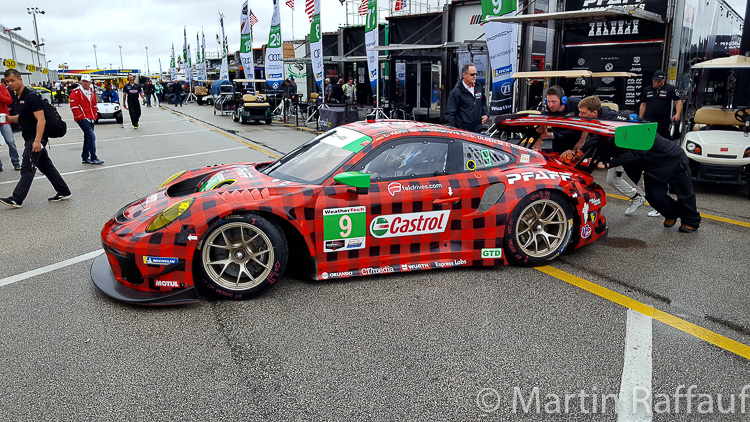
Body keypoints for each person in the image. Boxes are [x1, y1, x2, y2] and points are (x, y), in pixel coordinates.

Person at [602, 120, 700, 233]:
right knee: (654, 196)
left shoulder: (643, 133)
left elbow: (635, 154)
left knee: (684, 193)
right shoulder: (617, 133)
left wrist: (609, 164)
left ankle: (691, 222)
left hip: (674, 161)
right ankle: (672, 213)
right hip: (653, 167)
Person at [0, 69, 71, 208]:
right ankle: (63, 190)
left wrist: (38, 141)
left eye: (12, 80)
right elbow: (22, 118)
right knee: (47, 167)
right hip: (30, 137)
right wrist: (6, 118)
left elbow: (41, 119)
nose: (10, 84)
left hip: (36, 138)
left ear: (20, 79)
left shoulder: (31, 97)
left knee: (27, 167)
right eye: (7, 82)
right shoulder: (19, 98)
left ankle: (16, 198)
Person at [573, 96, 654, 216]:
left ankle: (657, 205)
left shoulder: (610, 119)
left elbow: (597, 138)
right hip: (616, 153)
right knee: (612, 180)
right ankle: (637, 198)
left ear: (594, 112)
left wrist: (578, 152)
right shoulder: (596, 116)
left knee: (643, 180)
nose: (579, 115)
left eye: (582, 112)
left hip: (634, 152)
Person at [536, 85, 582, 153]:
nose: (550, 105)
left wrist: (582, 141)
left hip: (577, 142)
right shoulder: (547, 112)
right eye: (548, 101)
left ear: (563, 100)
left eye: (553, 102)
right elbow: (538, 131)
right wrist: (537, 148)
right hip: (558, 145)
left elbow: (587, 121)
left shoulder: (575, 104)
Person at [70, 75, 104, 165]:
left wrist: (95, 115)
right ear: (81, 82)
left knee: (87, 137)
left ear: (90, 82)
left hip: (91, 117)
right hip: (82, 118)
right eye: (83, 81)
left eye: (87, 81)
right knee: (91, 136)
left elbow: (94, 104)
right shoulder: (76, 92)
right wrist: (81, 117)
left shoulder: (91, 91)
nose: (85, 83)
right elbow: (74, 106)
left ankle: (85, 157)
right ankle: (93, 157)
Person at [444, 63, 488, 133]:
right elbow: (450, 113)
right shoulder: (456, 92)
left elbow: (483, 101)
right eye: (472, 74)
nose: (475, 76)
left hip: (477, 130)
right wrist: (454, 130)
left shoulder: (478, 87)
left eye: (476, 74)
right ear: (464, 75)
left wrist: (485, 114)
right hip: (463, 131)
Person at [639, 70, 683, 139]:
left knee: (662, 139)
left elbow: (678, 102)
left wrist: (678, 114)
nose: (656, 84)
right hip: (649, 120)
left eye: (658, 82)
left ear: (664, 80)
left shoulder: (671, 89)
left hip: (663, 121)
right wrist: (640, 118)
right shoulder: (647, 90)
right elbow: (643, 104)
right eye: (654, 81)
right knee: (648, 138)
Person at [0, 78, 21, 171]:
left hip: (3, 119)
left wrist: (0, 95)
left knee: (10, 141)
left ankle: (16, 162)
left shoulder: (2, 88)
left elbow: (9, 101)